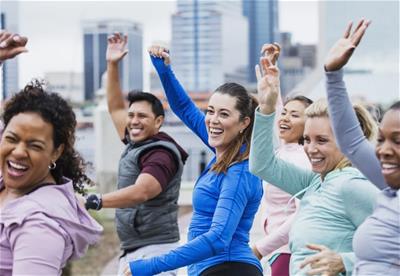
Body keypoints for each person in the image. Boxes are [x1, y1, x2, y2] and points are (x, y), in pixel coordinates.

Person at [123, 45, 263, 276]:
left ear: (244, 123)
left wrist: (149, 266)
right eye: (210, 111)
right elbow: (185, 108)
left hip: (229, 268)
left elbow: (218, 238)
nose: (213, 120)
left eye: (224, 114)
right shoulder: (224, 150)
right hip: (212, 268)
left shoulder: (240, 170)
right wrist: (164, 70)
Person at [249, 51, 379, 275]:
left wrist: (346, 262)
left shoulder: (353, 185)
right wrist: (267, 107)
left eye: (322, 140)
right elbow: (261, 165)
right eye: (307, 139)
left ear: (347, 142)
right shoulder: (314, 182)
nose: (311, 149)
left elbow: (392, 247)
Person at [84, 33, 188, 276]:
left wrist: (95, 200)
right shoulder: (136, 142)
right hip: (135, 250)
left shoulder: (161, 153)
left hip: (154, 252)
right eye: (132, 116)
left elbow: (143, 191)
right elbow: (116, 107)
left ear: (158, 122)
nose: (133, 121)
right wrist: (112, 65)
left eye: (142, 117)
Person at [0, 31, 102, 275]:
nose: (18, 152)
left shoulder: (39, 224)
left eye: (34, 145)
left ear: (56, 152)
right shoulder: (7, 184)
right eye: (11, 139)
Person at [320, 19, 400, 275]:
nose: (384, 149)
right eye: (381, 139)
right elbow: (352, 142)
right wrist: (333, 75)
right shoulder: (391, 189)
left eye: (397, 141)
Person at [250, 44, 313, 276]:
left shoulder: (303, 160)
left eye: (295, 115)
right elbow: (275, 114)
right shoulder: (285, 150)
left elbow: (302, 215)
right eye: (285, 112)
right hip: (278, 252)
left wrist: (261, 248)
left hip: (289, 253)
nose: (285, 118)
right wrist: (272, 80)